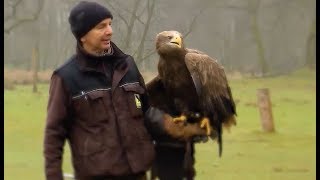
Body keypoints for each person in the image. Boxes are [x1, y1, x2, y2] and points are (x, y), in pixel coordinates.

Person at [43, 1, 207, 180]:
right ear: (83, 35)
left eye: (110, 24)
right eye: (101, 26)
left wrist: (177, 127)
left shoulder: (127, 65)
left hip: (137, 174)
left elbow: (146, 112)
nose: (109, 31)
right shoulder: (66, 77)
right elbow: (54, 136)